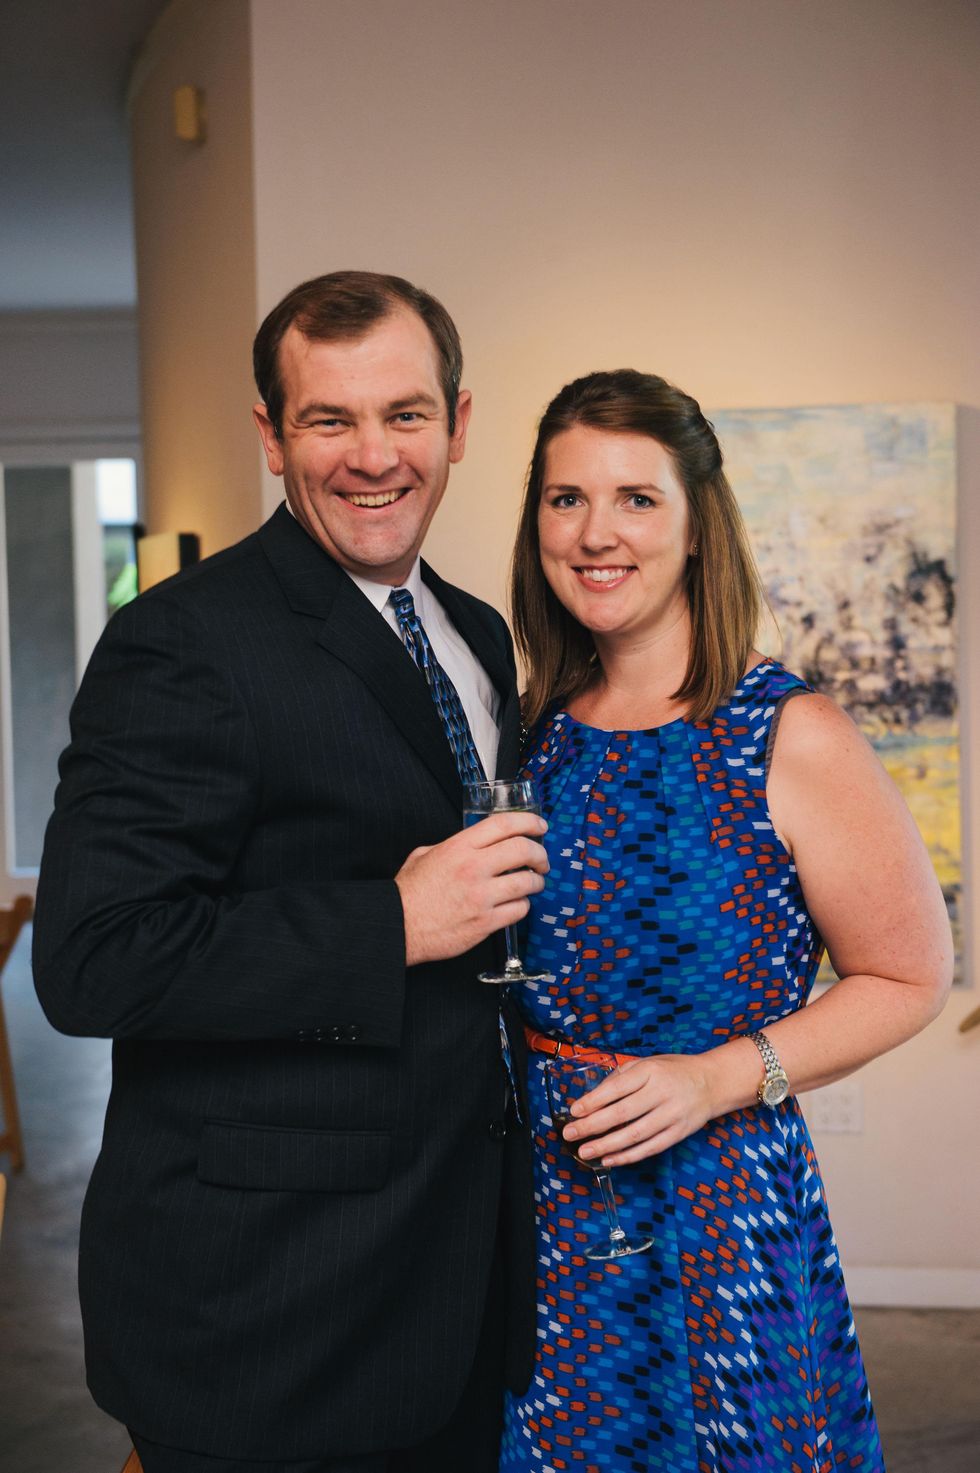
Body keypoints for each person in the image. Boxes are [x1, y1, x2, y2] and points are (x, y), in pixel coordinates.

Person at [32, 270, 548, 1473]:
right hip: (266, 1314)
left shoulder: (475, 630)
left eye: (405, 416)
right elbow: (92, 963)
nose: (373, 456)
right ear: (272, 437)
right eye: (329, 420)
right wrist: (392, 923)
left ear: (458, 425)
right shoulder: (181, 641)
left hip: (452, 1285)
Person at [499, 369, 952, 1473]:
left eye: (634, 499)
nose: (595, 532)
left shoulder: (784, 733)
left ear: (697, 526)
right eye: (565, 499)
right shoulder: (526, 735)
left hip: (717, 1216)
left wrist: (711, 1078)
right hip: (540, 1220)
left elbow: (906, 975)